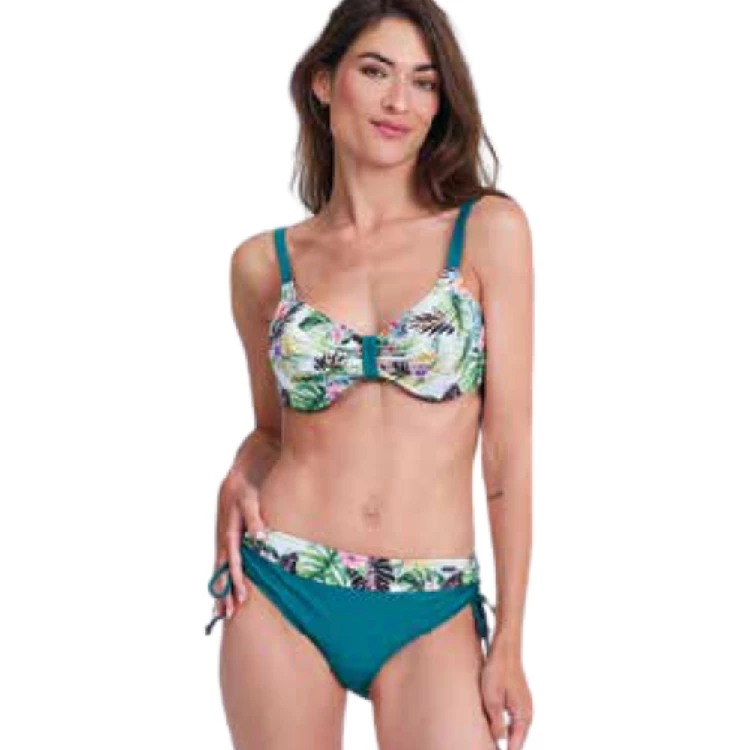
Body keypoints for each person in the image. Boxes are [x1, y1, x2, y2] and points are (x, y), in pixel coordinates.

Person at [205, 1, 534, 748]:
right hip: (282, 584)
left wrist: (510, 638)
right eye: (377, 72)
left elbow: (508, 452)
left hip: (432, 601)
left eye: (423, 82)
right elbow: (273, 431)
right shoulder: (262, 264)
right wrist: (239, 469)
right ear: (324, 83)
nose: (399, 102)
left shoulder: (488, 232)